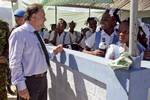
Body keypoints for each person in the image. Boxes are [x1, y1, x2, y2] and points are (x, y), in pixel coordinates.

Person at [9, 3, 63, 100]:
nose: (45, 20)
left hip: (42, 81)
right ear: (33, 17)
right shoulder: (19, 33)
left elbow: (40, 57)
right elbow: (14, 63)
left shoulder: (36, 34)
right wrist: (21, 87)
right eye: (43, 16)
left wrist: (54, 52)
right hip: (29, 83)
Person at [0, 19, 9, 100]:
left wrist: (5, 56)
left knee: (2, 90)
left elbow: (9, 45)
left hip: (1, 66)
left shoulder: (4, 26)